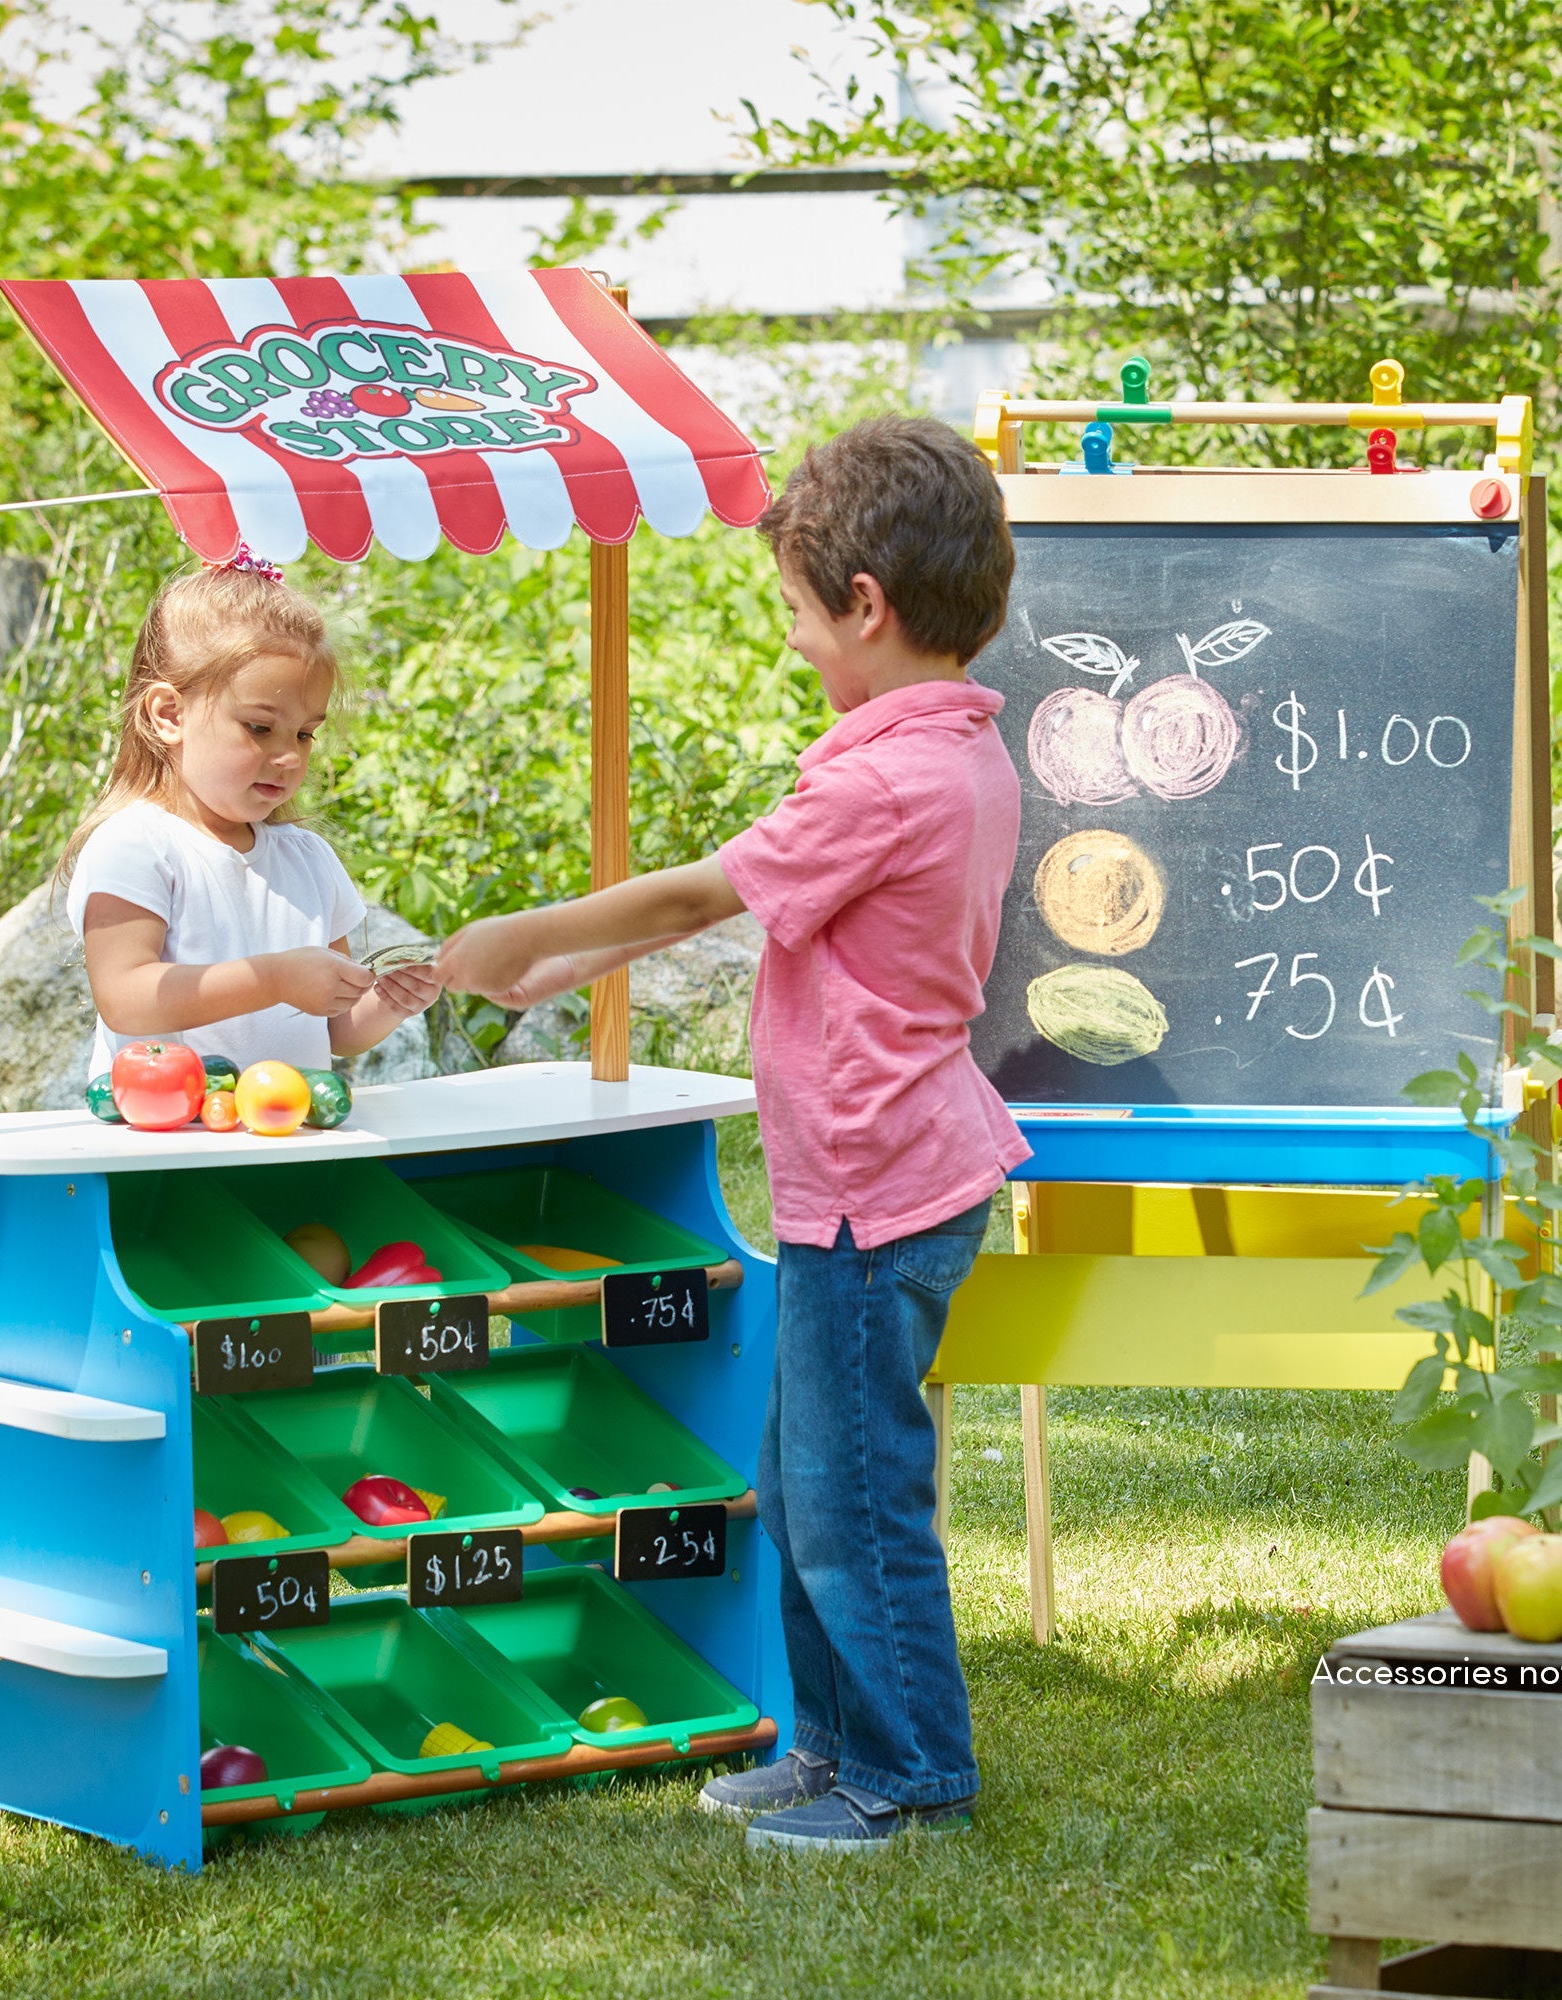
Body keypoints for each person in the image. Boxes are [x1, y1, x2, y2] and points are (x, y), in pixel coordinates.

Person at [435, 415, 1026, 1854]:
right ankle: (830, 1746)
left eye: (795, 615)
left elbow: (701, 897)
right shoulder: (948, 753)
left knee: (854, 1505)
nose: (792, 644)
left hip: (874, 1199)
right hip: (878, 1183)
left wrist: (524, 933)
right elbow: (776, 918)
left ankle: (907, 1772)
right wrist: (559, 977)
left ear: (866, 609)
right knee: (804, 1484)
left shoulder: (880, 779)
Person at [60, 553, 440, 1080]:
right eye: (260, 728)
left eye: (305, 733)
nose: (290, 756)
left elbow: (340, 1031)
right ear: (170, 714)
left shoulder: (308, 859)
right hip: (170, 1142)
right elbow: (126, 998)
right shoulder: (136, 844)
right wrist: (276, 979)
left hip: (288, 1134)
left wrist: (391, 1001)